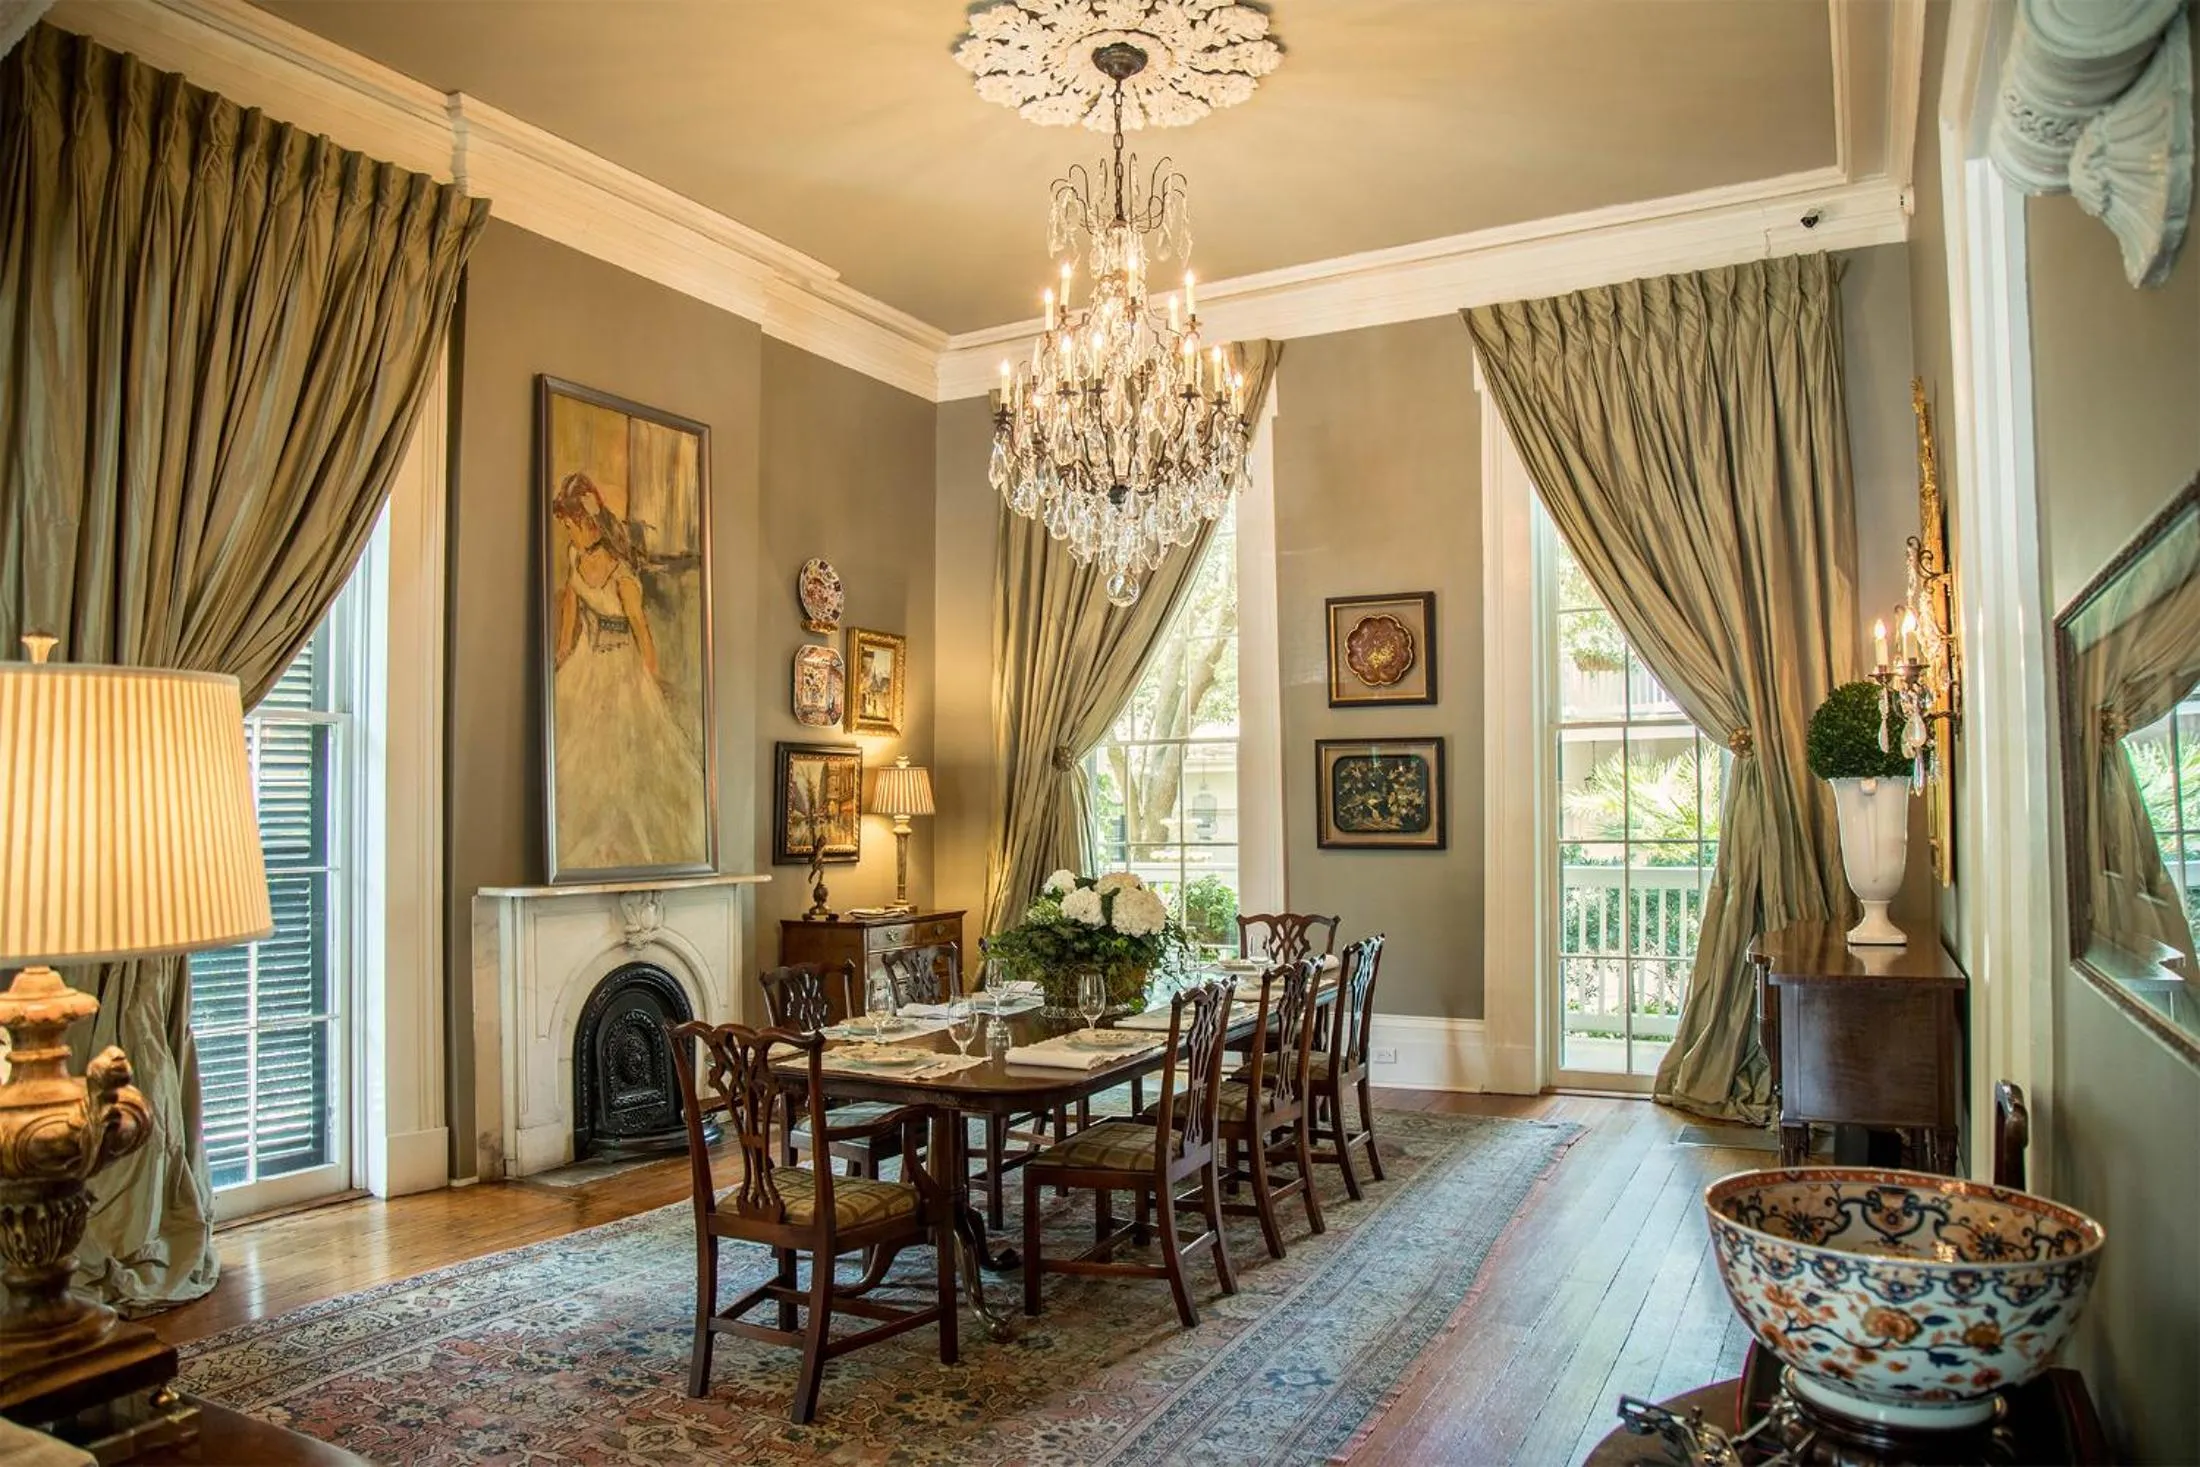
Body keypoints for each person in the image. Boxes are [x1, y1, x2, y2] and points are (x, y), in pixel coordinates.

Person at [550, 471, 706, 870]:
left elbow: (642, 631)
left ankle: (616, 845)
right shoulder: (575, 557)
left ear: (586, 523)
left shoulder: (622, 576)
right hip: (588, 656)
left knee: (621, 755)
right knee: (572, 746)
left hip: (620, 664)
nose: (568, 533)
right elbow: (571, 601)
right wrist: (564, 648)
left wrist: (649, 680)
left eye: (570, 525)